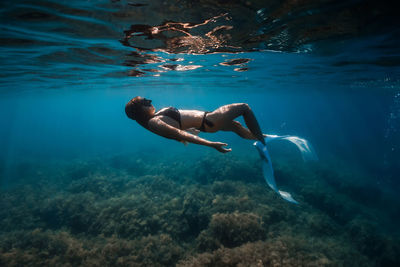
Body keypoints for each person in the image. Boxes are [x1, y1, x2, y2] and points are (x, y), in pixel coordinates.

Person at [125, 96, 266, 153]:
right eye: (145, 102)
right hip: (209, 120)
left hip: (207, 122)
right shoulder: (154, 122)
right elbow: (180, 134)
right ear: (140, 111)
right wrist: (211, 144)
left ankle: (260, 137)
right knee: (244, 107)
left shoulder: (154, 119)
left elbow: (180, 128)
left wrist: (190, 128)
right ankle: (262, 140)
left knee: (236, 126)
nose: (150, 101)